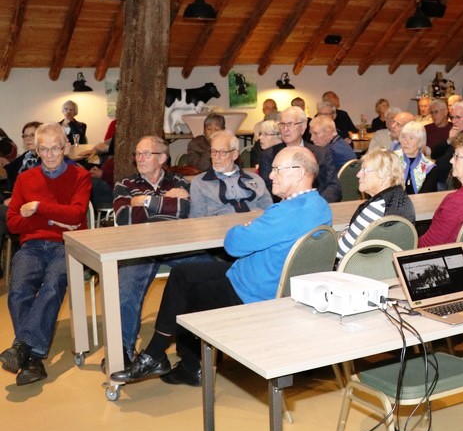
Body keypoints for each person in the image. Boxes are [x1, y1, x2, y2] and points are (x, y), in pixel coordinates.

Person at [110, 146, 333, 386]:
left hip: (251, 290)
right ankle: (162, 357)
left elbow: (233, 245)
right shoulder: (320, 206)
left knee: (186, 296)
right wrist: (255, 226)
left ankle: (182, 364)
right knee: (182, 273)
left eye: (277, 169)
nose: (270, 175)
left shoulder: (283, 213)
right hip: (271, 280)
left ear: (299, 173)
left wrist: (246, 228)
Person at [0, 123, 91, 385]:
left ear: (66, 148)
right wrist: (53, 220)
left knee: (53, 284)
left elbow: (76, 215)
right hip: (32, 246)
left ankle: (23, 347)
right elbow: (13, 224)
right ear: (36, 151)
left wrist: (38, 207)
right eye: (44, 149)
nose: (50, 155)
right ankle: (33, 359)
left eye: (55, 149)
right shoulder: (25, 179)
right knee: (18, 289)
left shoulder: (80, 176)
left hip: (67, 244)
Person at [112, 136, 192, 361]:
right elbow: (124, 217)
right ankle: (123, 352)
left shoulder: (178, 180)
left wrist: (143, 202)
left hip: (176, 245)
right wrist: (166, 202)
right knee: (127, 290)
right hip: (138, 248)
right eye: (137, 154)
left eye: (146, 154)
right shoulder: (125, 184)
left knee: (207, 273)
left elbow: (183, 210)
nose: (139, 158)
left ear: (162, 158)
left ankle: (194, 350)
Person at [336, 148, 416, 258]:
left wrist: (344, 234)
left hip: (362, 266)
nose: (358, 174)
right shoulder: (402, 199)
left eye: (364, 170)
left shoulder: (376, 207)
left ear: (384, 175)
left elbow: (340, 252)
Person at [257, 106, 341, 203]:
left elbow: (333, 187)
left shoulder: (321, 153)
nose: (285, 129)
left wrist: (316, 203)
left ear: (303, 127)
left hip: (316, 205)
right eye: (282, 124)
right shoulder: (269, 155)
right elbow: (266, 190)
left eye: (290, 124)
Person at [189, 131, 272, 218]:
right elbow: (198, 218)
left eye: (223, 152)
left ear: (234, 155)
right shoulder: (200, 183)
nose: (217, 157)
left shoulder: (255, 179)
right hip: (220, 225)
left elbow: (270, 211)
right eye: (213, 151)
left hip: (255, 222)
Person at [395, 120, 439, 195]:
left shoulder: (430, 168)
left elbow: (426, 197)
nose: (405, 142)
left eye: (411, 138)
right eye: (403, 137)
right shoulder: (392, 160)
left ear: (420, 141)